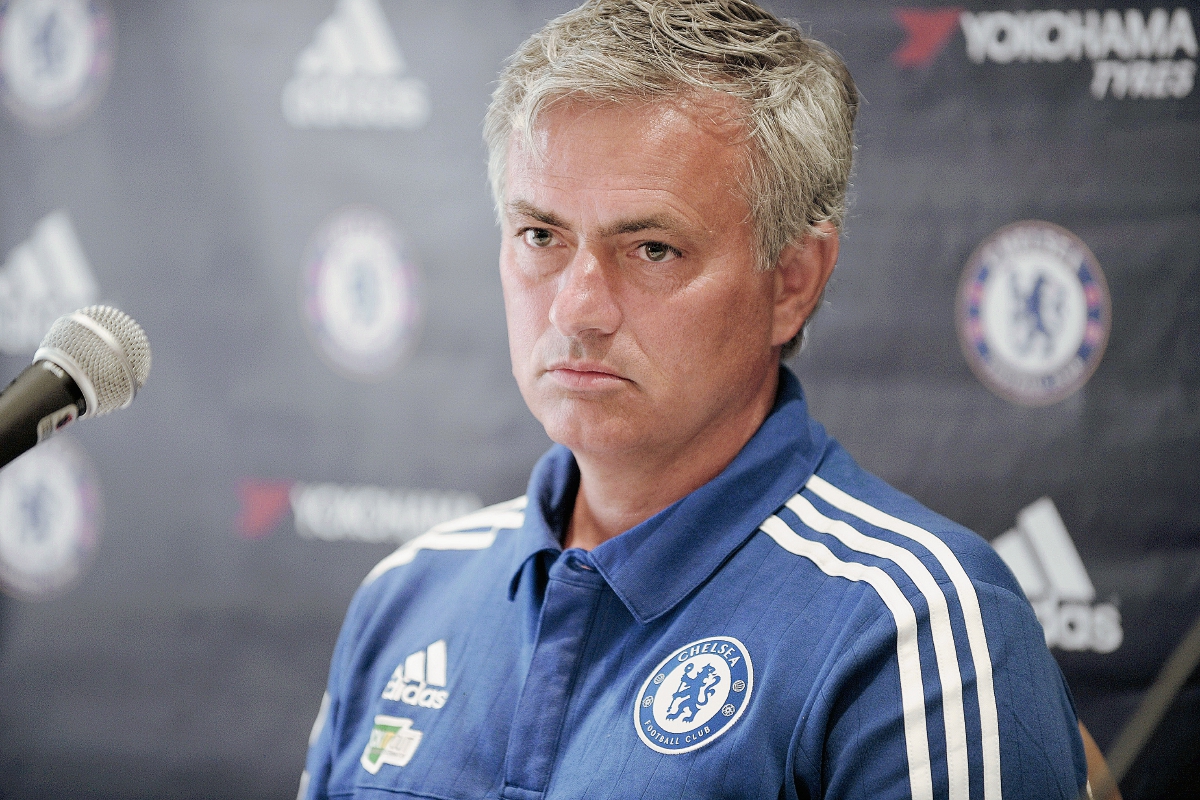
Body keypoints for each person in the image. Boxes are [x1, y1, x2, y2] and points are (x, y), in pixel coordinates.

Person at [299, 2, 1088, 798]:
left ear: (793, 281)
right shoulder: (404, 598)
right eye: (541, 236)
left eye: (652, 248)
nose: (576, 308)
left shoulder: (911, 627)